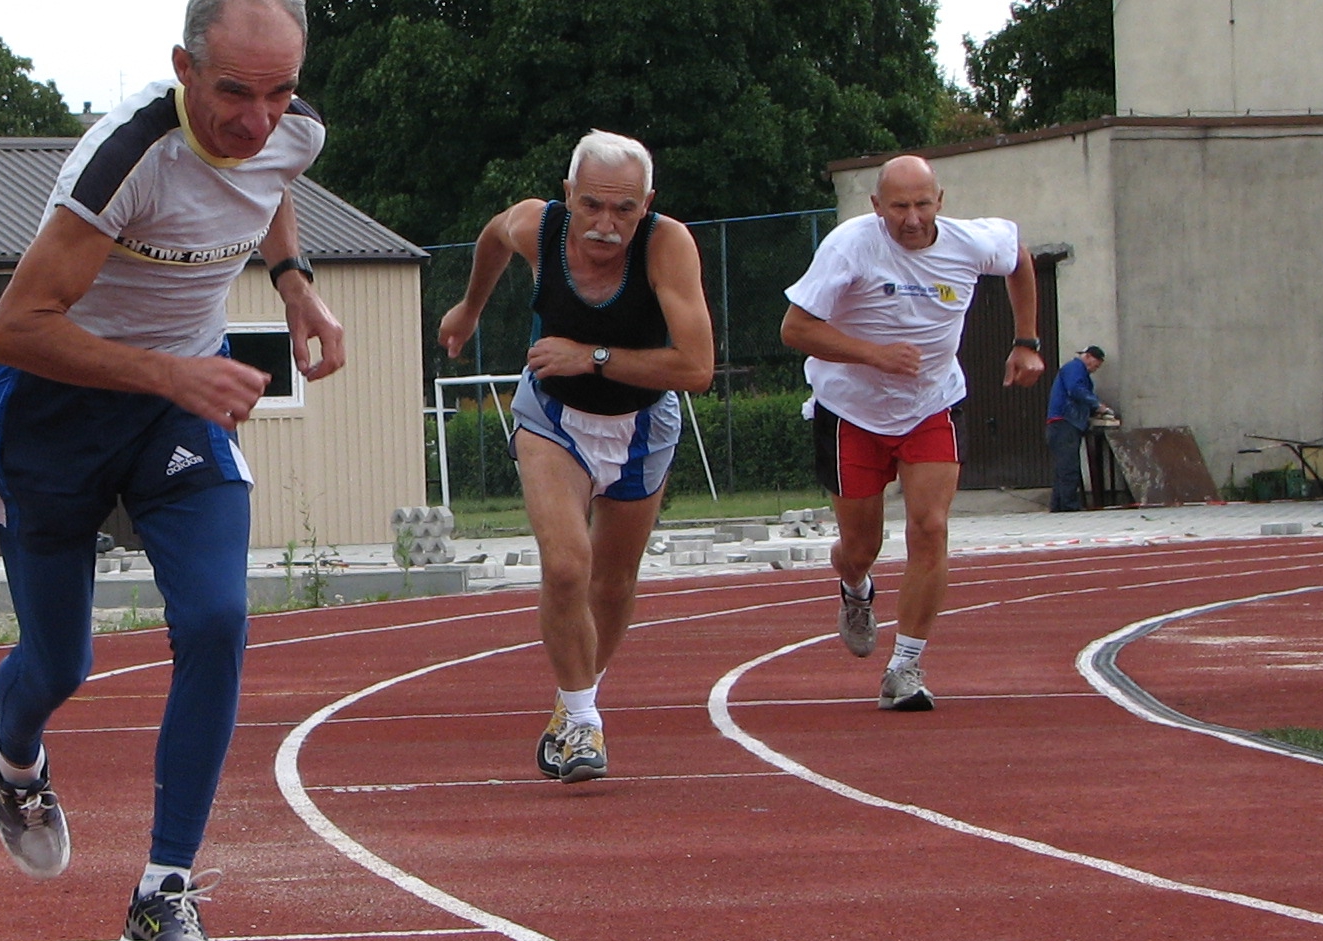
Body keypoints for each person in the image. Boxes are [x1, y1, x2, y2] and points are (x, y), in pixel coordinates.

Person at [0, 0, 344, 941]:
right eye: (232, 93)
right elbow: (15, 326)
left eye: (277, 94)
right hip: (55, 407)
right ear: (181, 71)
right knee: (59, 665)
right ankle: (12, 750)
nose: (255, 120)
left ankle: (162, 895)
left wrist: (294, 285)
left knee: (217, 619)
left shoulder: (287, 131)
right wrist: (169, 369)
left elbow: (269, 188)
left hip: (179, 408)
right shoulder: (124, 157)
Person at [435, 134, 714, 781]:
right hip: (553, 418)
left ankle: (571, 702)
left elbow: (697, 368)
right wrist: (469, 308)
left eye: (624, 211)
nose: (606, 226)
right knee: (566, 566)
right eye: (592, 206)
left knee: (611, 583)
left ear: (648, 205)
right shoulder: (540, 225)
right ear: (568, 196)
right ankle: (586, 725)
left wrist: (591, 356)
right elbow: (494, 235)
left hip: (642, 422)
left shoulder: (668, 246)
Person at [780, 155, 1043, 710]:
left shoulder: (971, 243)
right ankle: (856, 588)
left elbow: (1018, 255)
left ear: (940, 201)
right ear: (877, 208)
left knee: (930, 527)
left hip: (932, 405)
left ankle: (906, 667)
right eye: (899, 206)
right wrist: (873, 355)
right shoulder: (851, 246)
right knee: (861, 546)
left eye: (923, 204)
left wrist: (1027, 340)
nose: (913, 218)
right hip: (851, 411)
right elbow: (795, 328)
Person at [1046, 345, 1110, 511]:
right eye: (1095, 365)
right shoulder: (1075, 368)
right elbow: (1076, 390)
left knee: (1063, 467)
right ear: (1087, 356)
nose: (1094, 369)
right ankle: (1069, 506)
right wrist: (1097, 405)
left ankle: (1058, 506)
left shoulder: (1075, 371)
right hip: (1065, 423)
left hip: (1061, 423)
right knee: (1069, 467)